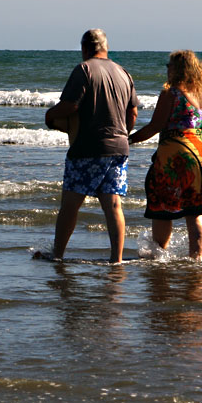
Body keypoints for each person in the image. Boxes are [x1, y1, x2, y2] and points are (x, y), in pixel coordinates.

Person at [40, 29, 139, 263]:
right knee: (113, 204)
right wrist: (123, 132)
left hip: (87, 146)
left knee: (70, 205)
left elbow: (70, 106)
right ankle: (116, 259)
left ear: (84, 48)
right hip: (118, 148)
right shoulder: (123, 73)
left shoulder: (84, 69)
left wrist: (49, 115)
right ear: (106, 47)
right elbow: (133, 112)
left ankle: (58, 254)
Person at [128, 50, 202, 260]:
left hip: (176, 155)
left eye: (169, 66)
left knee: (163, 206)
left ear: (177, 69)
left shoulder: (171, 92)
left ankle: (159, 256)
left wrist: (128, 139)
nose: (166, 69)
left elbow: (155, 126)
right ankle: (196, 259)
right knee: (196, 209)